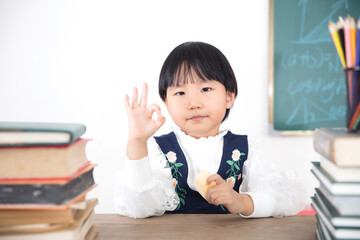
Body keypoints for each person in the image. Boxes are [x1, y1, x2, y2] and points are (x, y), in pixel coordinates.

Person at [114, 42, 307, 218]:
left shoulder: (246, 148)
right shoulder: (157, 151)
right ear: (166, 103)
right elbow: (139, 208)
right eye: (180, 93)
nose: (194, 103)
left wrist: (239, 201)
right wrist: (137, 141)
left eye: (205, 89)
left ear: (229, 97)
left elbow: (280, 201)